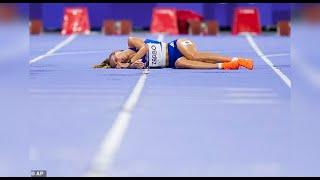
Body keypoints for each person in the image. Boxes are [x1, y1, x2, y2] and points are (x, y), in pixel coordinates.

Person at [93, 36, 254, 70]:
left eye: (117, 58)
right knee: (181, 64)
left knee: (194, 56)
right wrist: (128, 67)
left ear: (118, 52)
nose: (120, 61)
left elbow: (145, 48)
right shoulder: (132, 65)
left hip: (178, 45)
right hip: (173, 61)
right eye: (118, 64)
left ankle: (238, 59)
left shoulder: (131, 42)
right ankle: (225, 66)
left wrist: (131, 61)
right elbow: (139, 66)